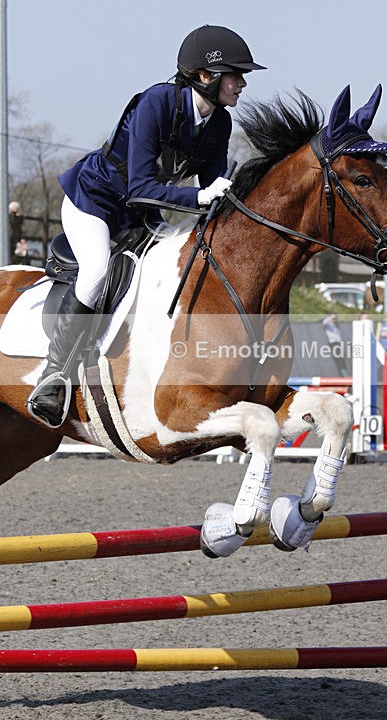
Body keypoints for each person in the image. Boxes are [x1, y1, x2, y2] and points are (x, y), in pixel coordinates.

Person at [27, 24, 266, 428]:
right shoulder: (155, 103)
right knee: (96, 273)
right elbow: (141, 186)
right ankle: (53, 376)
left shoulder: (219, 123)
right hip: (95, 202)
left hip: (141, 214)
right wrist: (197, 198)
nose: (242, 84)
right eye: (235, 74)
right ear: (205, 76)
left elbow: (210, 190)